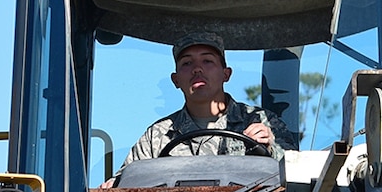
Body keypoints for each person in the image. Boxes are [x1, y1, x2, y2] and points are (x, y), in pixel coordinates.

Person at [124, 32, 293, 163]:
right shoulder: (158, 136)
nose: (197, 69)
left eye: (207, 61)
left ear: (226, 74)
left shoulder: (261, 121)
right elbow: (124, 184)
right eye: (187, 63)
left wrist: (271, 148)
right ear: (176, 80)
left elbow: (296, 177)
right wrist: (113, 185)